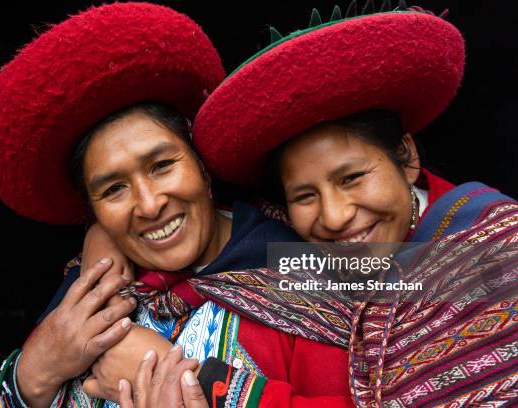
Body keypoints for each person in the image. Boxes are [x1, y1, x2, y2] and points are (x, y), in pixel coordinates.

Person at [0, 3, 352, 408]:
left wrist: (196, 386)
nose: (150, 205)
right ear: (93, 213)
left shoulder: (310, 283)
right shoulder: (89, 295)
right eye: (114, 190)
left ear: (202, 166)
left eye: (162, 166)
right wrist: (32, 374)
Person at [192, 4, 518, 407]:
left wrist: (222, 388)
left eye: (352, 178)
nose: (335, 216)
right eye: (305, 196)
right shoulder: (290, 270)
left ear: (407, 155)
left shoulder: (497, 252)